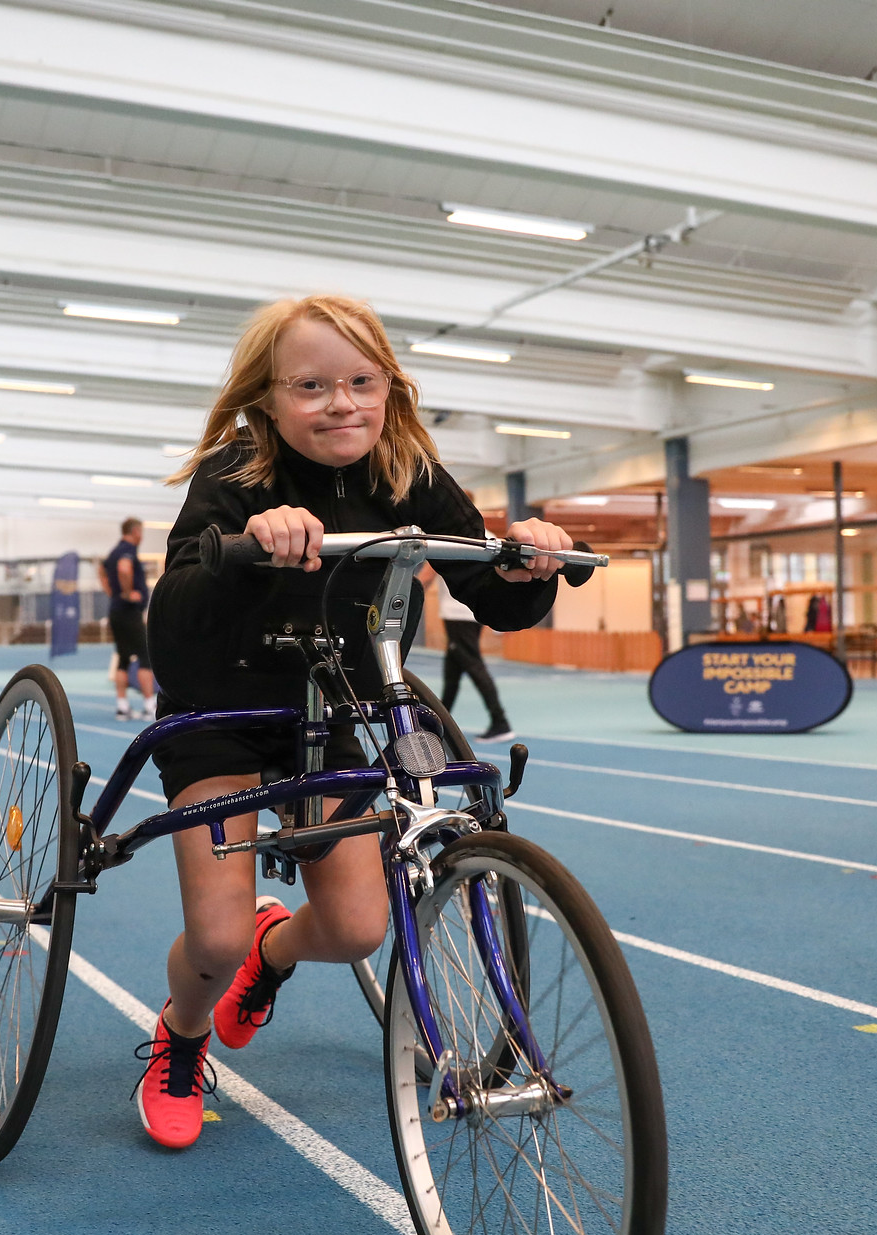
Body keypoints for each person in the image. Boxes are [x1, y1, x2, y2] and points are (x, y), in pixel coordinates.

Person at [135, 294, 576, 1149]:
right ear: (268, 398)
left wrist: (530, 563)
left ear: (388, 387)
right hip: (219, 709)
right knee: (215, 938)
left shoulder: (409, 474)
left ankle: (276, 951)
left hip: (331, 705)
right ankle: (181, 1036)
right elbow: (173, 624)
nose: (340, 402)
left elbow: (494, 595)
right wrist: (252, 547)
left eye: (360, 381)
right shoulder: (235, 477)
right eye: (311, 385)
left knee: (356, 927)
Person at [428, 566, 514, 743]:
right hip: (476, 612)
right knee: (453, 667)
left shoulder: (450, 538)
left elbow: (428, 572)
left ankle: (500, 721)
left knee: (473, 665)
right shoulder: (490, 538)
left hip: (457, 613)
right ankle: (439, 722)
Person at [102, 517, 154, 720]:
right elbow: (124, 569)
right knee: (144, 656)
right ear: (135, 532)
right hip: (129, 612)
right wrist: (127, 592)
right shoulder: (127, 550)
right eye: (141, 531)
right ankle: (150, 706)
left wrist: (112, 593)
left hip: (116, 611)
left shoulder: (114, 551)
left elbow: (102, 570)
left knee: (123, 658)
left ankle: (122, 706)